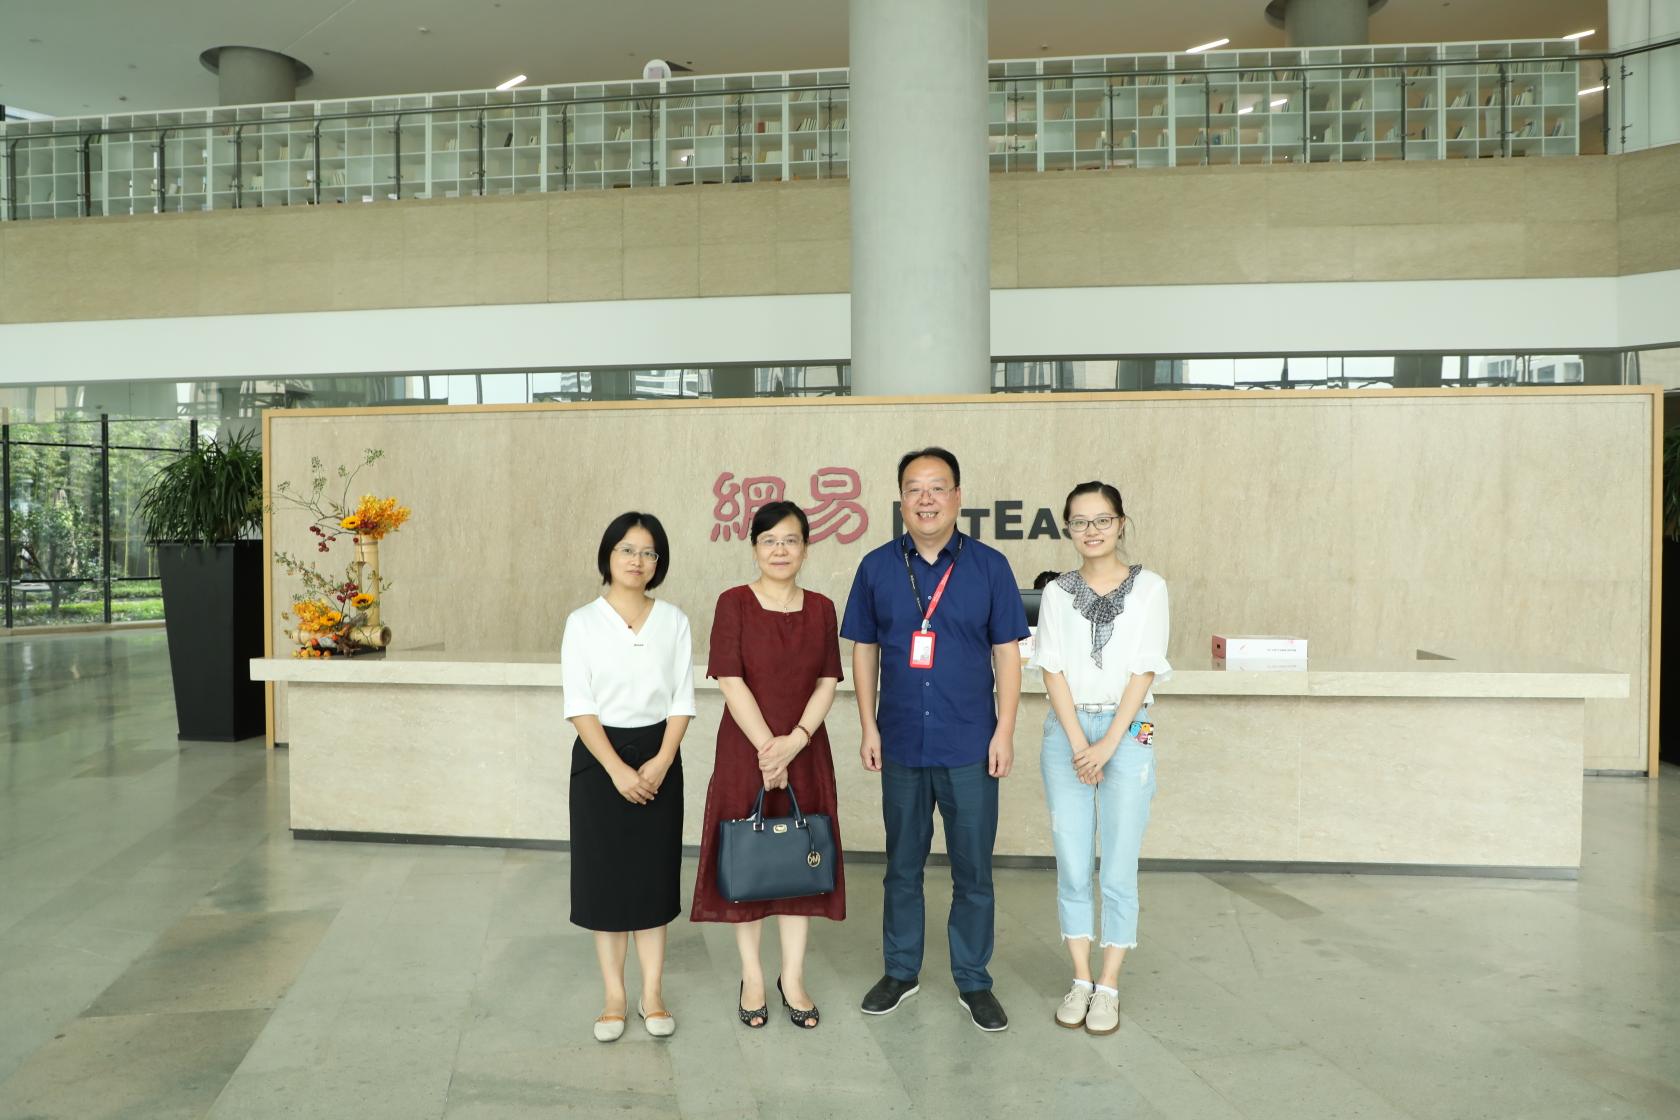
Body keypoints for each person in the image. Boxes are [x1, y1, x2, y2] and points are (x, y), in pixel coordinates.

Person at [841, 447, 1030, 1033]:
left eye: (937, 487)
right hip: (900, 740)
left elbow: (1007, 653)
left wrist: (1005, 730)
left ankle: (973, 980)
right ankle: (901, 971)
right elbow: (864, 650)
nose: (926, 499)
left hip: (970, 743)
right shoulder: (876, 567)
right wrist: (868, 724)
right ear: (901, 500)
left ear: (957, 497)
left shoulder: (990, 566)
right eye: (914, 488)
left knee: (973, 870)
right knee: (902, 865)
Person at [692, 500, 845, 1030]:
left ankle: (793, 977)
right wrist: (768, 749)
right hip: (745, 751)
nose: (780, 550)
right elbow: (729, 679)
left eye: (790, 540)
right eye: (769, 541)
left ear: (806, 547)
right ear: (754, 548)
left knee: (800, 859)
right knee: (749, 859)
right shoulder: (733, 602)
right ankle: (753, 976)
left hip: (805, 750)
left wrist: (794, 742)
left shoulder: (821, 608)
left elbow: (827, 681)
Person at [1033, 481, 1170, 1037]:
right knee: (1071, 862)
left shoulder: (1150, 588)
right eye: (1080, 521)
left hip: (1129, 730)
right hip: (1066, 730)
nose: (1091, 530)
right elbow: (1051, 668)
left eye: (1102, 520)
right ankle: (1081, 978)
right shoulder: (1055, 592)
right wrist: (1078, 744)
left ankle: (1109, 986)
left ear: (1121, 523)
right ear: (1067, 527)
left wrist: (1108, 744)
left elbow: (1145, 668)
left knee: (1117, 865)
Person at [561, 511, 695, 1043]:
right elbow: (579, 703)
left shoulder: (674, 621)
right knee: (607, 882)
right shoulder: (582, 622)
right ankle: (615, 996)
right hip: (600, 762)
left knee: (652, 879)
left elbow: (682, 698)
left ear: (658, 563)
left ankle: (652, 993)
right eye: (627, 550)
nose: (637, 560)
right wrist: (616, 769)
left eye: (648, 552)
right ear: (608, 556)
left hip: (660, 755)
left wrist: (661, 761)